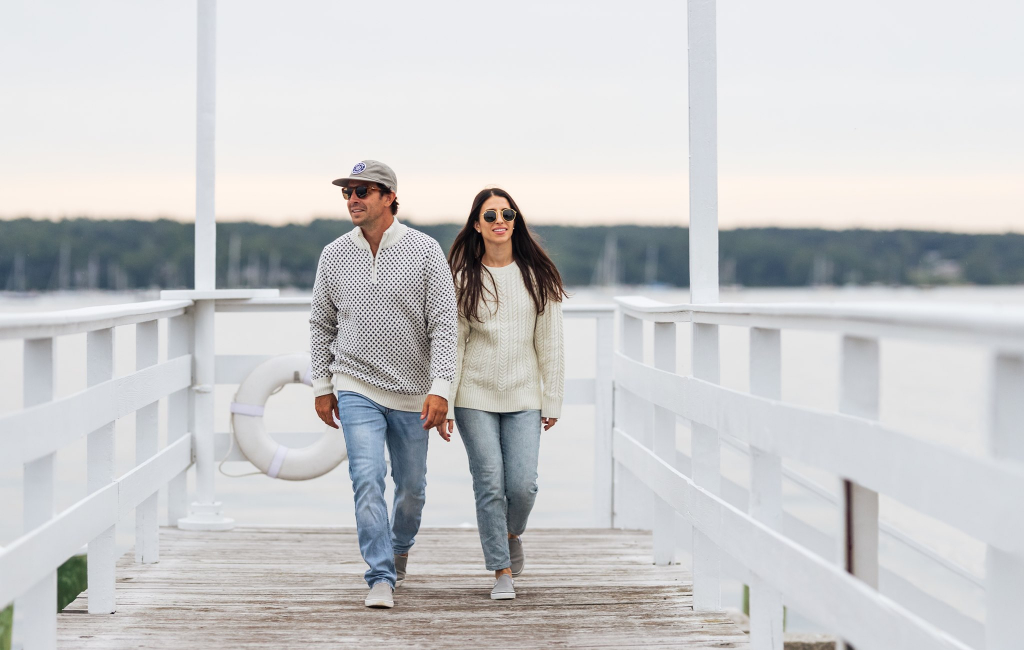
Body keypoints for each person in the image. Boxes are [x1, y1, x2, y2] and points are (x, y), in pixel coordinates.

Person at [309, 160, 458, 609]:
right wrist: (322, 384)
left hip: (414, 392)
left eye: (363, 191)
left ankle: (400, 547)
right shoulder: (334, 254)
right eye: (347, 192)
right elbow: (321, 323)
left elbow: (445, 327)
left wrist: (442, 388)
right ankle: (379, 576)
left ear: (389, 196)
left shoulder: (425, 250)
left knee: (412, 490)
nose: (353, 199)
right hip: (356, 385)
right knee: (367, 477)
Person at [441, 187, 566, 600]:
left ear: (516, 222)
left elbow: (550, 346)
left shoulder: (538, 278)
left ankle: (511, 532)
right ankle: (501, 571)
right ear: (477, 224)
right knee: (490, 481)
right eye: (490, 215)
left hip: (524, 397)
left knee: (523, 485)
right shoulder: (462, 278)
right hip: (472, 396)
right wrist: (442, 397)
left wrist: (553, 399)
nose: (500, 221)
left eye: (507, 214)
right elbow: (453, 345)